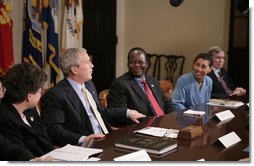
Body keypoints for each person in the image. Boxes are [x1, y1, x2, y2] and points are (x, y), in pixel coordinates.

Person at [41, 48, 144, 147]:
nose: (92, 65)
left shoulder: (89, 85)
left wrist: (126, 113)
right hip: (85, 147)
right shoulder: (55, 95)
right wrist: (83, 139)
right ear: (75, 70)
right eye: (88, 62)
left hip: (107, 138)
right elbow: (54, 130)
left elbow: (98, 113)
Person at [0, 63, 54, 160]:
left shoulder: (30, 109)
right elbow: (17, 153)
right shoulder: (5, 117)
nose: (41, 94)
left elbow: (45, 140)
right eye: (40, 91)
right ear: (29, 96)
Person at [108, 47, 172, 125]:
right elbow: (121, 115)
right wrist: (157, 121)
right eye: (133, 62)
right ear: (128, 64)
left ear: (146, 64)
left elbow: (168, 104)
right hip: (143, 127)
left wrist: (172, 118)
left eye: (141, 62)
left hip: (164, 124)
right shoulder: (119, 84)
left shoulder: (153, 81)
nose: (137, 65)